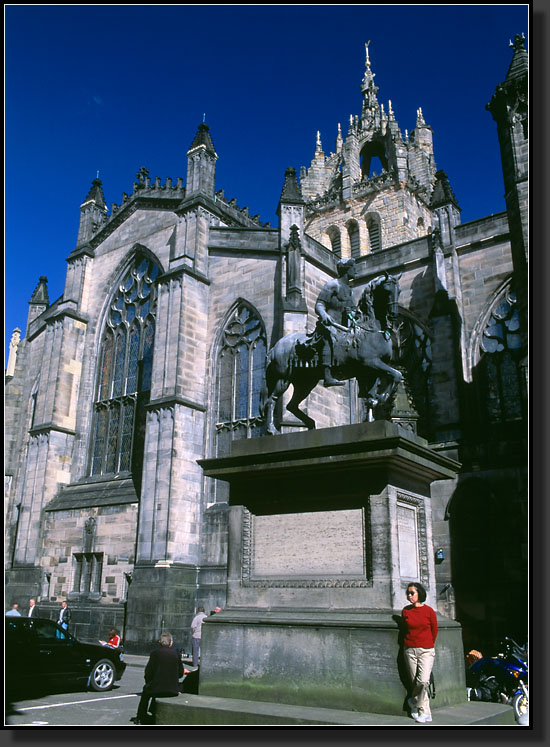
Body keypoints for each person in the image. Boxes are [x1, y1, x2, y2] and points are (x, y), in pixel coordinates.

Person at [314, 257, 357, 386]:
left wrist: (352, 313)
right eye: (353, 268)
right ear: (346, 270)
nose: (356, 271)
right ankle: (327, 376)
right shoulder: (332, 285)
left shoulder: (350, 291)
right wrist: (324, 315)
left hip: (343, 328)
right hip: (329, 325)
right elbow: (319, 304)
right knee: (329, 338)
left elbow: (353, 310)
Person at [402, 582, 438, 723]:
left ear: (419, 594)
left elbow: (434, 630)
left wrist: (427, 644)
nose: (409, 595)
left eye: (412, 593)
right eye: (408, 593)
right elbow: (405, 629)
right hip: (409, 650)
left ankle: (413, 701)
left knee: (423, 681)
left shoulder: (429, 611)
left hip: (426, 650)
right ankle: (424, 711)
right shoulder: (406, 611)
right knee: (414, 681)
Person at [133, 631, 183, 725]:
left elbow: (148, 673)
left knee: (146, 691)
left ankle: (141, 716)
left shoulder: (154, 653)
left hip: (157, 688)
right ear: (171, 643)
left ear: (160, 642)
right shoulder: (176, 654)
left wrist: (149, 682)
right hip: (172, 689)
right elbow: (180, 673)